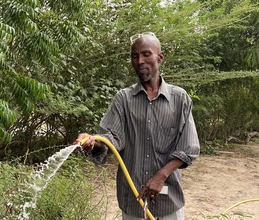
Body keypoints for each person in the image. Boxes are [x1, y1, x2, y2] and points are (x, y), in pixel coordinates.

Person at [74, 32, 200, 220]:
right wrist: (94, 142)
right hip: (133, 202)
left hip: (169, 204)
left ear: (160, 57)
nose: (140, 60)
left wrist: (161, 176)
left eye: (146, 54)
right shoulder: (123, 99)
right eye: (134, 56)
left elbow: (189, 148)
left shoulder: (179, 99)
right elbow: (111, 138)